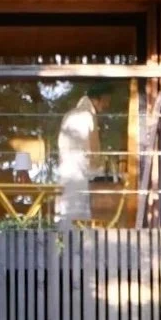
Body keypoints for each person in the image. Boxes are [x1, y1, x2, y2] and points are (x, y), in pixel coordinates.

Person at [56, 93, 99, 226]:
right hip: (78, 169)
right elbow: (93, 149)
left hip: (65, 169)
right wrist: (96, 168)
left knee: (66, 208)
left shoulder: (68, 116)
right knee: (78, 209)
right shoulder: (88, 116)